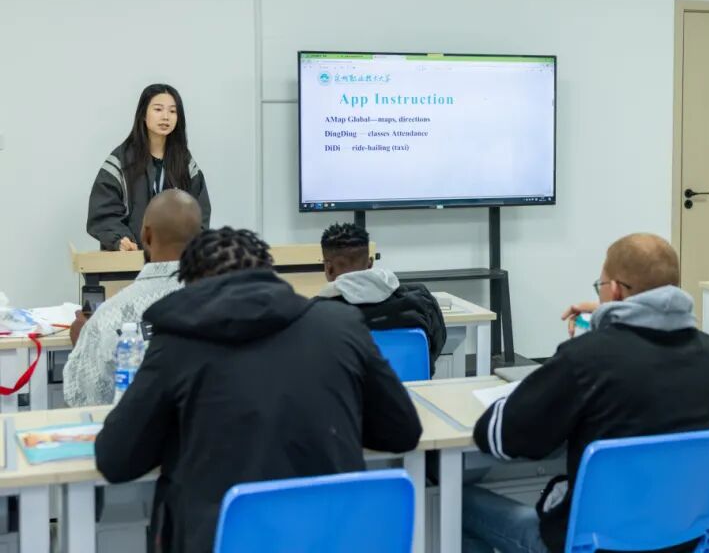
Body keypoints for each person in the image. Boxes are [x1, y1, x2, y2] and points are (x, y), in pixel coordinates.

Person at [95, 227, 421, 553]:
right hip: (335, 539)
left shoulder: (176, 344)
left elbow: (116, 459)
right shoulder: (340, 325)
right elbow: (402, 432)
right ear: (269, 273)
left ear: (191, 285)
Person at [463, 233, 709, 553]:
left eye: (599, 286)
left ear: (614, 290)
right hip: (681, 540)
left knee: (460, 503)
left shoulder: (586, 357)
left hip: (592, 545)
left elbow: (501, 437)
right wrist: (609, 319)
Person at [64, 190, 203, 406]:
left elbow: (82, 402)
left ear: (146, 236)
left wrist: (82, 341)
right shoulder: (225, 307)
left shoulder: (107, 319)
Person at [87, 83, 210, 251]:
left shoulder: (185, 162)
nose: (165, 117)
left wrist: (189, 246)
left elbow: (199, 213)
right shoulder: (121, 161)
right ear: (143, 115)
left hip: (174, 260)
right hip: (130, 257)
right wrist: (120, 239)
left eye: (172, 111)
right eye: (158, 109)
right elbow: (103, 212)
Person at [315, 222, 446, 373]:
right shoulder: (421, 300)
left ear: (329, 268)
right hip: (408, 387)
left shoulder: (314, 315)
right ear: (370, 263)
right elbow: (434, 349)